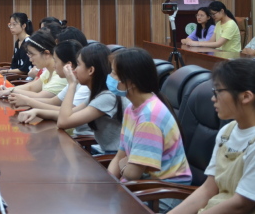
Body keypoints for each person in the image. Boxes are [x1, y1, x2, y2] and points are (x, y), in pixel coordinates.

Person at [107, 48, 191, 212]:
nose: (110, 77)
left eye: (114, 73)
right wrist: (108, 184)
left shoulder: (149, 118)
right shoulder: (132, 108)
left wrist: (124, 168)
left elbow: (132, 173)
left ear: (131, 82)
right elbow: (120, 157)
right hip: (140, 187)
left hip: (160, 195)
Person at [167, 59, 255, 214]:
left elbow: (241, 204)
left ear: (246, 97)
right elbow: (208, 189)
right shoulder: (227, 131)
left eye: (218, 91)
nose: (213, 98)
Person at [21, 43, 128, 155]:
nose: (75, 70)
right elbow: (71, 113)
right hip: (103, 151)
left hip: (110, 155)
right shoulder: (98, 93)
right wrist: (37, 111)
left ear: (91, 70)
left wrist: (72, 84)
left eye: (79, 64)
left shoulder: (107, 97)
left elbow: (63, 122)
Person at [15, 40, 92, 135]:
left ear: (69, 65)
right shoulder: (74, 81)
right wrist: (35, 109)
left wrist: (28, 101)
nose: (54, 66)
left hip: (79, 138)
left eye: (55, 61)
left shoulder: (84, 86)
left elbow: (66, 117)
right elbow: (54, 102)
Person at [0, 30, 67, 102]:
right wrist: (8, 89)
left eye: (32, 54)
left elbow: (40, 97)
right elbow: (31, 87)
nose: (30, 60)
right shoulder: (48, 71)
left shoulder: (60, 74)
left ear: (46, 53)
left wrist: (12, 91)